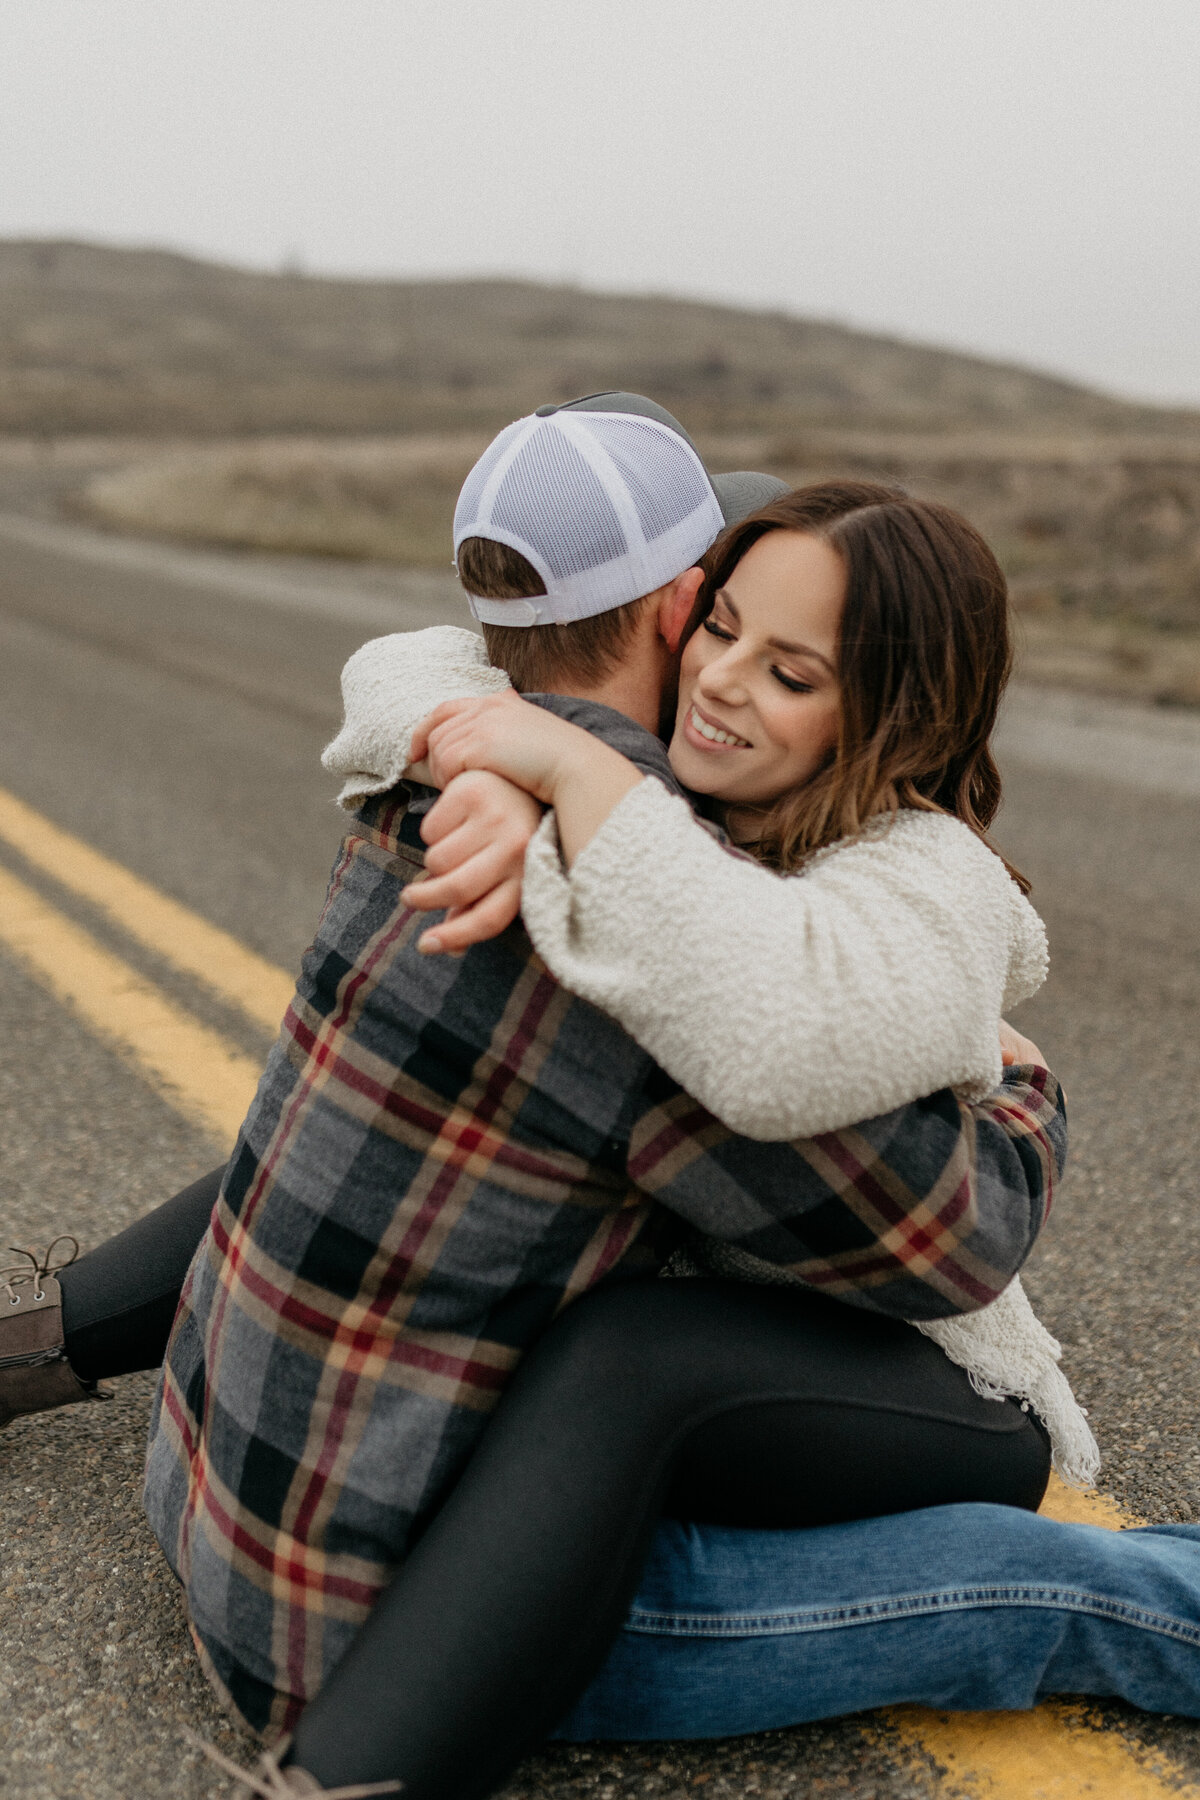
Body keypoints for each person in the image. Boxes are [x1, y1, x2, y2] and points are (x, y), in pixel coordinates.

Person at [0, 397, 1063, 1798]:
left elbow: (422, 672)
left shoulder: (418, 792)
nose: (733, 677)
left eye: (792, 663)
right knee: (1012, 1545)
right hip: (378, 1629)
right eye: (729, 628)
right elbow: (953, 1242)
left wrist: (518, 748)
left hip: (206, 1494)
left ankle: (20, 1346)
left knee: (414, 1159)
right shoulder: (639, 954)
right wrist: (1021, 1079)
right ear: (683, 608)